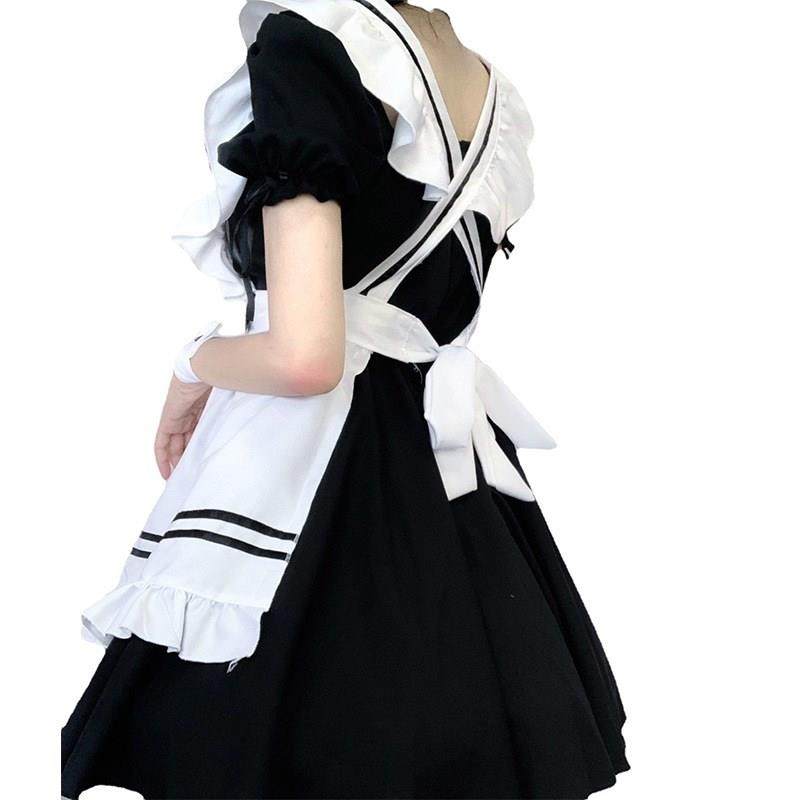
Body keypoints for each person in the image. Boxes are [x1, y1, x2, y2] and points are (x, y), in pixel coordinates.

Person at [61, 1, 629, 797]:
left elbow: (304, 358)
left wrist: (191, 367)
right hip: (452, 483)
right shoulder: (489, 90)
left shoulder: (311, 40)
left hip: (321, 483)